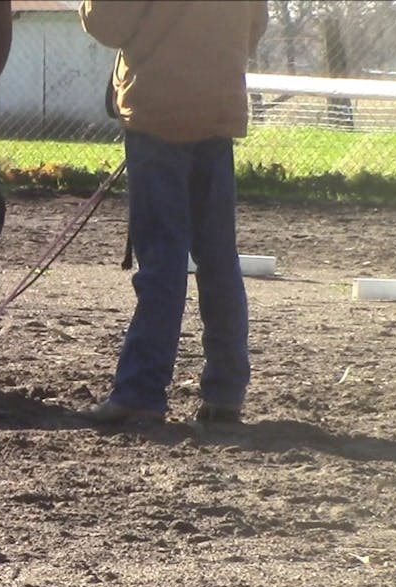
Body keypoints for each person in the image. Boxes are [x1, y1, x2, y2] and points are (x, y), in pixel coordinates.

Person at [78, 0, 269, 426]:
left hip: (158, 112)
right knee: (218, 257)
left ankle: (141, 392)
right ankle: (225, 391)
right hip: (218, 111)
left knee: (163, 258)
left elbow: (107, 22)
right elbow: (256, 24)